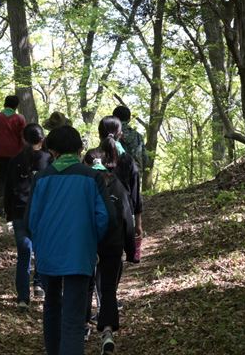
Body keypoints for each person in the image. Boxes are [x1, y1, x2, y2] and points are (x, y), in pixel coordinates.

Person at [26, 125, 116, 355]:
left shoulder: (41, 179)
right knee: (74, 317)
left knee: (52, 305)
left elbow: (30, 220)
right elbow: (105, 217)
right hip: (79, 251)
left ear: (52, 151)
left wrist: (40, 241)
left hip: (48, 252)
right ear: (78, 149)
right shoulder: (92, 177)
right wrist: (92, 240)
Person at [83, 148, 136, 354]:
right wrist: (131, 251)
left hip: (87, 244)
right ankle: (107, 332)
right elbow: (128, 221)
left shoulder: (83, 185)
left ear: (86, 164)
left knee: (86, 286)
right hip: (113, 245)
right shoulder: (118, 186)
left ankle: (82, 327)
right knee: (108, 289)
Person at [4, 124, 51, 309]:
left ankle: (23, 298)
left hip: (19, 211)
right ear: (42, 139)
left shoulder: (15, 160)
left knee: (23, 254)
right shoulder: (49, 161)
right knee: (42, 251)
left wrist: (8, 214)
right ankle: (40, 286)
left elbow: (8, 189)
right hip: (43, 213)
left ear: (24, 139)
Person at [98, 116, 143, 239]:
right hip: (122, 216)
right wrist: (138, 224)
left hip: (95, 218)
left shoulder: (91, 157)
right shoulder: (128, 160)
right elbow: (135, 193)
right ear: (120, 134)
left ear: (99, 134)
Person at [112, 106, 149, 175]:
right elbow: (145, 161)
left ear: (113, 119)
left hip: (113, 177)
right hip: (134, 176)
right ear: (129, 120)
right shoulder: (138, 136)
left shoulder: (110, 135)